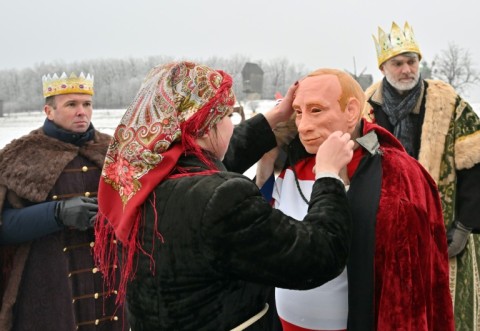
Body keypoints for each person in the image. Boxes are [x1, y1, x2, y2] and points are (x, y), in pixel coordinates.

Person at [93, 61, 354, 331]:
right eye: (228, 115)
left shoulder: (139, 181)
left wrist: (274, 117)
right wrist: (327, 174)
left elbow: (215, 162)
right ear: (206, 126)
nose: (231, 125)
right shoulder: (223, 199)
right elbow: (320, 255)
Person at [260, 68, 454, 330]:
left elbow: (408, 284)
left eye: (316, 110)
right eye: (298, 112)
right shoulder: (288, 165)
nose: (303, 125)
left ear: (351, 111)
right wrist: (264, 165)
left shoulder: (395, 175)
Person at [364, 21, 480, 330]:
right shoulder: (364, 112)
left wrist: (464, 226)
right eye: (398, 63)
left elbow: (476, 171)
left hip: (440, 233)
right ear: (383, 67)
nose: (407, 69)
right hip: (384, 237)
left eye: (412, 61)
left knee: (443, 313)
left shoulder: (452, 107)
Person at [0, 72, 127, 330]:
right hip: (48, 291)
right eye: (71, 104)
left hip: (110, 288)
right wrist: (57, 213)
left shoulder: (114, 151)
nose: (82, 111)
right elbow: (4, 227)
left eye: (87, 104)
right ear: (49, 110)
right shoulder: (20, 156)